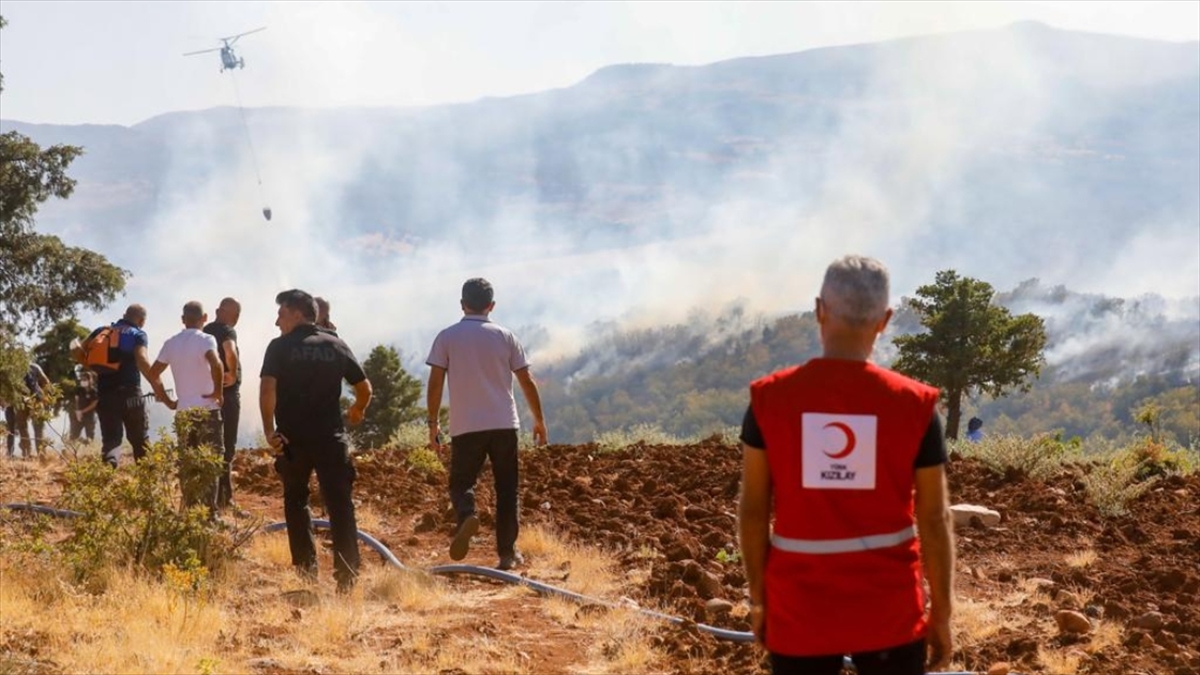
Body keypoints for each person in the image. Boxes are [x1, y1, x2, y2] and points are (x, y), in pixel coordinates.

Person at [737, 255, 955, 675]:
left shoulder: (769, 400)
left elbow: (753, 510)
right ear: (885, 320)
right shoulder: (916, 407)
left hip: (799, 609)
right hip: (890, 612)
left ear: (819, 310)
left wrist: (759, 599)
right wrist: (942, 613)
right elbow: (934, 518)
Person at [425, 277, 548, 571]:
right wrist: (539, 420)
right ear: (491, 306)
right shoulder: (506, 336)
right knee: (507, 489)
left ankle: (467, 514)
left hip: (466, 426)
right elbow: (526, 380)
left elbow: (435, 383)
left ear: (462, 304)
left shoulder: (447, 337)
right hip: (505, 423)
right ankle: (507, 553)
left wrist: (433, 424)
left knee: (461, 483)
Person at [260, 289, 372, 592]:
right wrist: (357, 410)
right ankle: (347, 577)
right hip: (330, 438)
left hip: (292, 440)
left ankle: (306, 573)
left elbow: (267, 389)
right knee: (340, 505)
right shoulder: (336, 344)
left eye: (281, 314)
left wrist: (269, 429)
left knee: (296, 501)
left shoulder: (279, 347)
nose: (276, 321)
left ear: (297, 314)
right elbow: (365, 388)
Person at [149, 301, 225, 511]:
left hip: (183, 412)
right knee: (209, 462)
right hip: (207, 410)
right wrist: (218, 392)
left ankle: (190, 512)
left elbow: (153, 373)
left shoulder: (171, 343)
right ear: (205, 318)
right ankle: (209, 516)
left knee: (188, 463)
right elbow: (216, 363)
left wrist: (167, 400)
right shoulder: (206, 339)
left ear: (183, 320)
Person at [85, 304, 161, 468]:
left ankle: (106, 478)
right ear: (141, 320)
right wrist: (158, 387)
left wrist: (91, 366)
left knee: (111, 441)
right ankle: (148, 485)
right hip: (131, 394)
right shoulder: (137, 334)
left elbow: (78, 350)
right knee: (141, 440)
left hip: (106, 395)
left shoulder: (102, 331)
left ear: (124, 315)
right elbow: (142, 360)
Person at [203, 297, 243, 511]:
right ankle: (224, 500)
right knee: (227, 448)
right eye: (235, 314)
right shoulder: (227, 331)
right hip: (226, 396)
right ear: (222, 312)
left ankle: (208, 499)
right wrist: (233, 374)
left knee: (209, 447)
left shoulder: (203, 331)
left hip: (206, 397)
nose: (236, 319)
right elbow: (230, 350)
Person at [12, 362, 51, 458]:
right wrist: (46, 396)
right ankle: (41, 454)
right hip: (36, 399)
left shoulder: (12, 367)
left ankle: (26, 452)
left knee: (22, 428)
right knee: (38, 428)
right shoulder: (34, 366)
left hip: (20, 401)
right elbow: (45, 381)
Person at [70, 367, 99, 443]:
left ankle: (90, 450)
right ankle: (72, 448)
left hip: (89, 416)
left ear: (90, 380)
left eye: (85, 380)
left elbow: (94, 404)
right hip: (79, 415)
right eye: (82, 380)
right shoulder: (79, 390)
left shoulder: (93, 391)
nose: (83, 381)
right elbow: (77, 400)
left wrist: (83, 411)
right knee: (74, 434)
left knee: (90, 435)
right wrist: (78, 412)